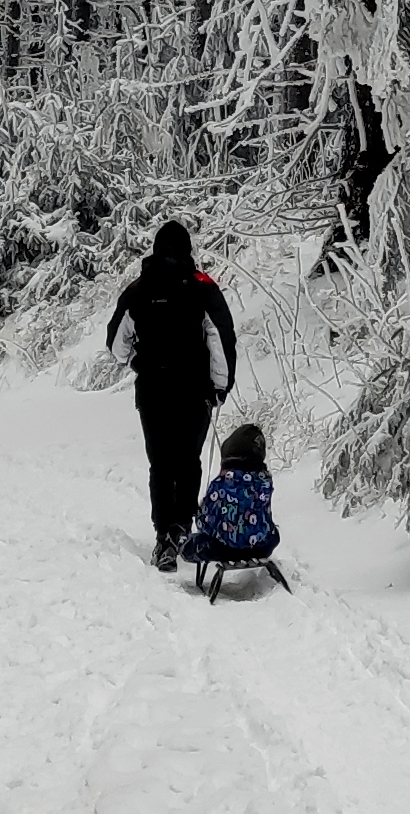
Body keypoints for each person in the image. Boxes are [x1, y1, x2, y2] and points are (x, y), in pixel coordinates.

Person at [104, 219, 238, 569]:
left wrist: (137, 359)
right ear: (188, 249)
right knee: (188, 460)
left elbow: (116, 345)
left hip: (152, 390)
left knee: (161, 464)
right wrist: (221, 385)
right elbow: (220, 337)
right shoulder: (201, 287)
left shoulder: (138, 289)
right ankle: (181, 527)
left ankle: (163, 535)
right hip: (194, 390)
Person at [181, 423, 283, 593]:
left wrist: (200, 516)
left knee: (189, 545)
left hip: (225, 550)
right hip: (261, 547)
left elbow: (206, 521)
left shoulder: (222, 484)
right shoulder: (264, 482)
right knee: (273, 533)